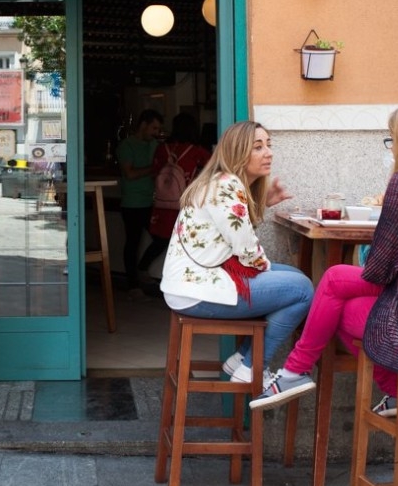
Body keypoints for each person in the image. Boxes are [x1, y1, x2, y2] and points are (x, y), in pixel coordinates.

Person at [250, 103, 398, 413]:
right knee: (337, 298)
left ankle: (296, 371)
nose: (392, 148)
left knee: (335, 290)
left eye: (392, 139)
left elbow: (379, 268)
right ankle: (392, 394)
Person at [159, 121, 314, 389]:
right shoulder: (226, 185)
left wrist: (262, 203)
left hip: (193, 283)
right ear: (238, 152)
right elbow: (246, 250)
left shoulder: (220, 182)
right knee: (301, 289)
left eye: (268, 145)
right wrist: (264, 269)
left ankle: (242, 359)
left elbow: (229, 237)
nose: (268, 152)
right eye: (258, 147)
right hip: (197, 291)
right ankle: (252, 367)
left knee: (294, 277)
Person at [136, 112, 211, 277]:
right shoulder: (197, 151)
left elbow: (155, 172)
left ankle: (143, 270)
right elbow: (214, 169)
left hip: (163, 204)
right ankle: (180, 278)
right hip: (185, 203)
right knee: (186, 242)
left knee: (161, 240)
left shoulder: (162, 148)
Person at [117, 109, 163, 295]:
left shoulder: (154, 145)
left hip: (151, 202)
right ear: (143, 125)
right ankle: (132, 285)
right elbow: (129, 173)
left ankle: (142, 269)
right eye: (154, 128)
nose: (156, 132)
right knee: (132, 243)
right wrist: (153, 170)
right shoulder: (126, 146)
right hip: (132, 203)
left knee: (162, 238)